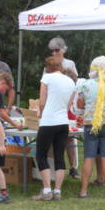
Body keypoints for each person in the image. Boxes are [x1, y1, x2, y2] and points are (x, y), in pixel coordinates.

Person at [77, 56, 105, 199]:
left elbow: (79, 105)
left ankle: (84, 191)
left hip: (90, 124)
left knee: (88, 157)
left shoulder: (85, 85)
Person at [33, 56, 75, 201]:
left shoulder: (46, 78)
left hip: (48, 121)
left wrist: (40, 112)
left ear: (48, 67)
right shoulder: (70, 81)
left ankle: (46, 190)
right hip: (63, 122)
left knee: (41, 155)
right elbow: (69, 105)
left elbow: (42, 101)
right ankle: (57, 191)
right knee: (59, 156)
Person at [46, 37, 80, 179]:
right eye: (52, 50)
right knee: (53, 138)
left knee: (70, 138)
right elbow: (45, 85)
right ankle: (54, 170)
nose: (54, 53)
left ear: (63, 50)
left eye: (57, 50)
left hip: (68, 105)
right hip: (54, 105)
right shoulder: (48, 65)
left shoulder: (70, 63)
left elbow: (76, 83)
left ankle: (73, 168)